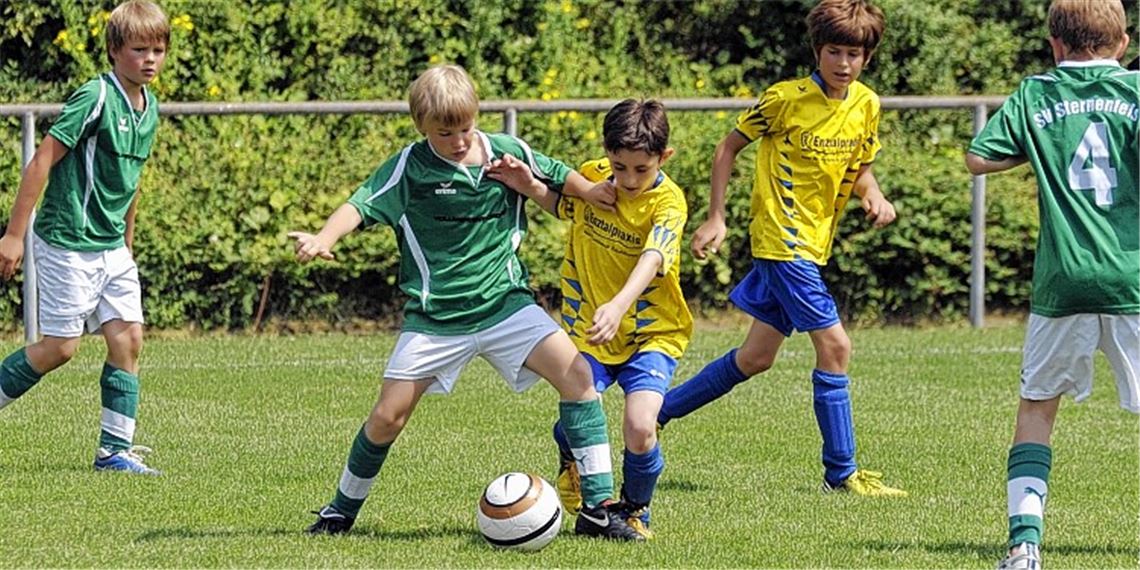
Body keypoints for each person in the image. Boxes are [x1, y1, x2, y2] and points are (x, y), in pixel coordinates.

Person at [289, 64, 644, 541]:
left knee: (578, 377)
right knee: (386, 416)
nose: (458, 140)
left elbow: (559, 175)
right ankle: (339, 511)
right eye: (445, 132)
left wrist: (593, 193)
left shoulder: (505, 152)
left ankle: (599, 508)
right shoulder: (409, 167)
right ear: (422, 127)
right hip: (436, 317)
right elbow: (361, 204)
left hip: (505, 304)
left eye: (466, 128)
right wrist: (323, 236)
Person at [655, 0, 906, 497]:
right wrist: (717, 216)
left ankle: (655, 413)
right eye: (834, 51)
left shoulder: (867, 106)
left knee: (756, 357)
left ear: (868, 58)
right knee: (836, 347)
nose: (843, 63)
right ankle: (842, 473)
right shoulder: (784, 99)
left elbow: (861, 170)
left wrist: (873, 194)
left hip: (814, 244)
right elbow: (727, 147)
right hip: (781, 241)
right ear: (818, 51)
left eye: (854, 54)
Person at [965, 1, 1138, 568]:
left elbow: (977, 157)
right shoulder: (1134, 95)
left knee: (1037, 410)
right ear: (1124, 41)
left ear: (1055, 44)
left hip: (1063, 281)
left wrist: (1040, 151)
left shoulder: (1036, 94)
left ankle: (1024, 547)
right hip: (1133, 278)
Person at [488, 99, 691, 539]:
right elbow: (564, 207)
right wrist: (527, 184)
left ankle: (633, 510)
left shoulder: (669, 203)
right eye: (619, 167)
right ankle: (571, 459)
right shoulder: (594, 176)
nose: (628, 180)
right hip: (590, 329)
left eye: (641, 168)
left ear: (664, 157)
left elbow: (654, 257)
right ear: (606, 154)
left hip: (649, 333)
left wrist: (618, 305)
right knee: (577, 415)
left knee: (640, 426)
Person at [0, 0, 169, 475]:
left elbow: (130, 183)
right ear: (115, 50)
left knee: (129, 338)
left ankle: (114, 451)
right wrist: (14, 235)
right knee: (60, 348)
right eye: (139, 49)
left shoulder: (149, 106)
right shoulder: (94, 96)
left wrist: (126, 244)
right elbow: (41, 161)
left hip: (110, 247)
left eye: (158, 49)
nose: (150, 59)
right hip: (67, 240)